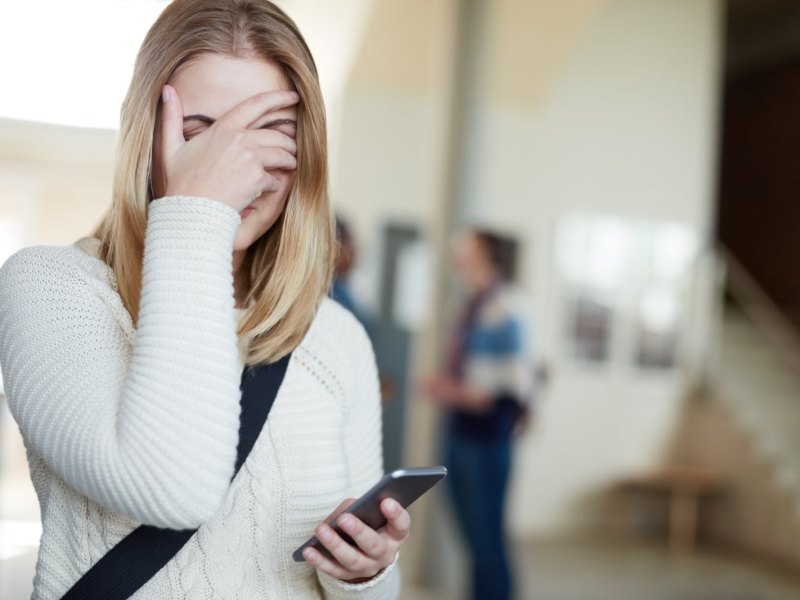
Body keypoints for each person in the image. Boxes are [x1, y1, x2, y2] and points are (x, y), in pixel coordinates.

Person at [0, 1, 409, 598]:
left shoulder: (337, 335)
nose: (235, 168)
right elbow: (173, 488)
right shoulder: (51, 288)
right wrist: (196, 212)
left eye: (269, 133)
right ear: (146, 138)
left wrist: (366, 571)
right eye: (200, 133)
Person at [423, 228, 531, 600]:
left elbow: (497, 393)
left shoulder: (504, 307)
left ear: (486, 254)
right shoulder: (472, 303)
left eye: (467, 246)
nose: (458, 252)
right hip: (461, 431)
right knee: (475, 541)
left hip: (485, 438)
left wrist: (443, 389)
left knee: (487, 543)